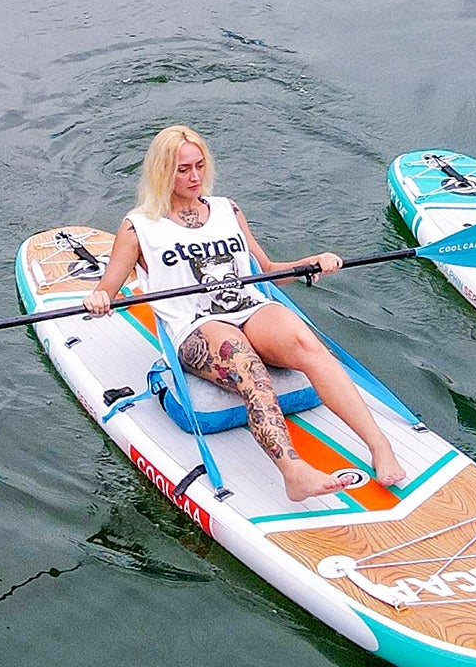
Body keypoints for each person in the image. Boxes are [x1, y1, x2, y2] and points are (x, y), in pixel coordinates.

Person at [84, 124, 404, 502]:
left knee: (309, 344)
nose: (195, 177)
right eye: (183, 169)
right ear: (161, 171)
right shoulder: (138, 227)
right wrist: (100, 299)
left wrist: (310, 263)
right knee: (246, 363)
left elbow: (266, 271)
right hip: (195, 324)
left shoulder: (227, 210)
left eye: (199, 166)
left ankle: (379, 446)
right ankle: (294, 472)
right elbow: (107, 288)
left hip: (249, 307)